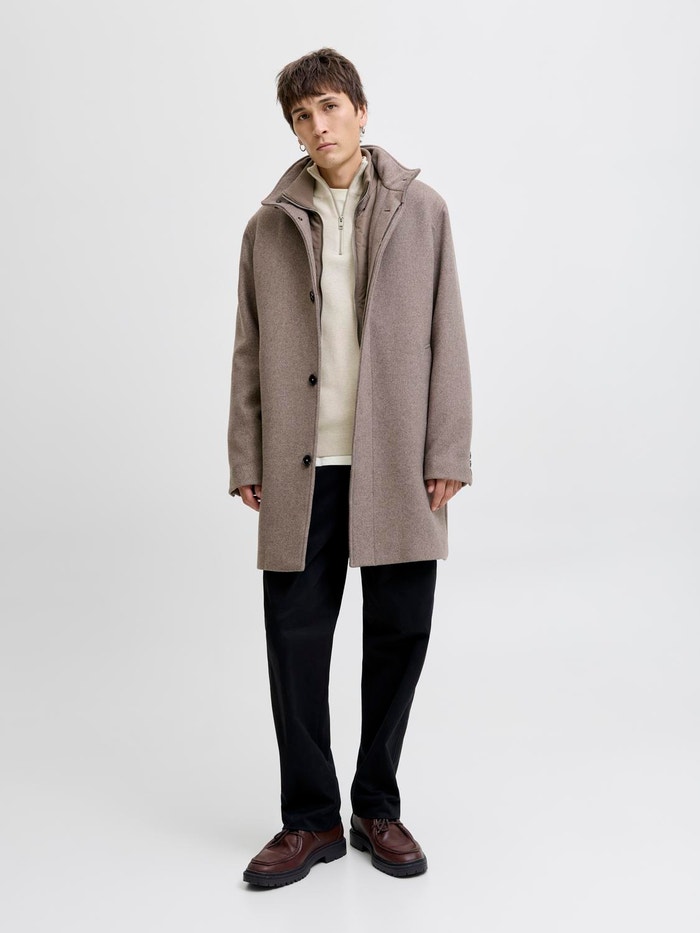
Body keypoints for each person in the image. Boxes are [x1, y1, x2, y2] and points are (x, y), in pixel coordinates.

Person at [227, 48, 473, 887]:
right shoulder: (267, 225)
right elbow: (249, 347)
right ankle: (310, 819)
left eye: (329, 107)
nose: (318, 126)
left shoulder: (422, 210)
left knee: (401, 630)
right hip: (302, 466)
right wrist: (246, 452)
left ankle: (377, 805)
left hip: (396, 459)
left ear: (360, 111)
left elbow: (447, 333)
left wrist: (447, 449)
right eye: (302, 116)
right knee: (294, 640)